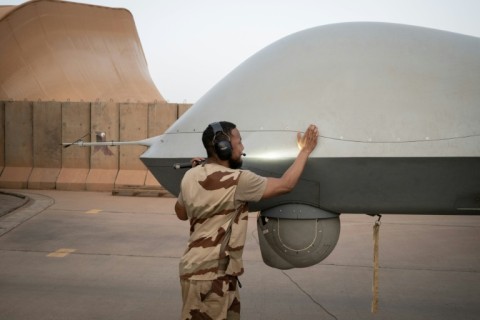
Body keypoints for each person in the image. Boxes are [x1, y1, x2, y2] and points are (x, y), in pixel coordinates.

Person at [174, 121, 319, 320]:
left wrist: (196, 174)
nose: (242, 148)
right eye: (239, 142)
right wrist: (305, 151)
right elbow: (286, 185)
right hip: (211, 276)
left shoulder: (190, 175)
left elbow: (181, 213)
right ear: (223, 148)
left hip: (208, 273)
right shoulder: (239, 180)